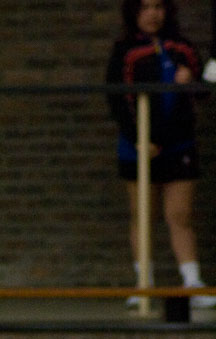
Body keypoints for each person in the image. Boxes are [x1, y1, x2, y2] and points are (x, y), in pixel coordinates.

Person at [106, 0, 215, 308]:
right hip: (139, 145)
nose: (152, 14)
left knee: (179, 214)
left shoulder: (182, 47)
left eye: (158, 7)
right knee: (142, 214)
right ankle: (144, 281)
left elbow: (204, 92)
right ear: (134, 12)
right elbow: (116, 99)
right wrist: (138, 139)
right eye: (145, 7)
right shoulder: (125, 50)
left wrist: (189, 82)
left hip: (179, 144)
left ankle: (192, 281)